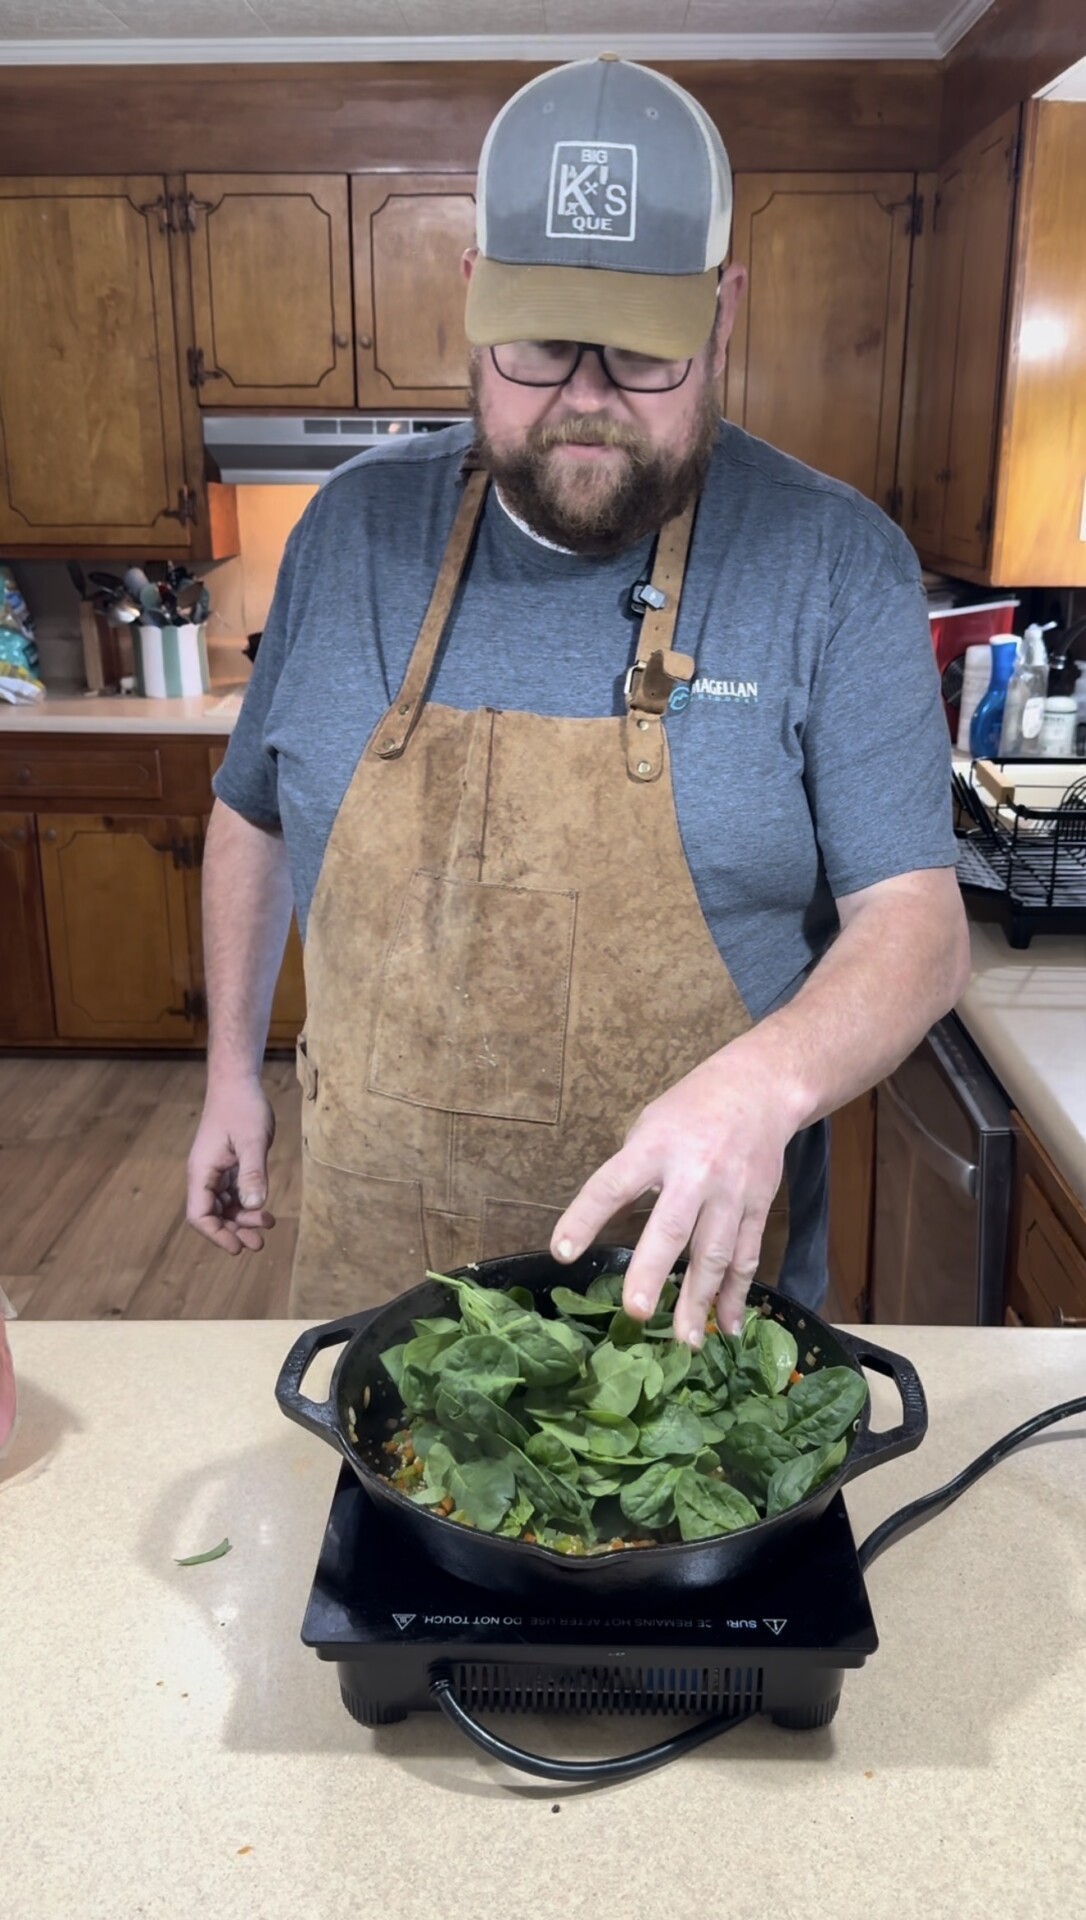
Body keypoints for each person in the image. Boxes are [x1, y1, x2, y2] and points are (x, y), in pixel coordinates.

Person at [187, 55, 969, 1347]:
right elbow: (254, 814)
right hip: (386, 1268)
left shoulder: (832, 560)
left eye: (644, 353)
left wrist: (765, 1084)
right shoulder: (349, 535)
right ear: (470, 305)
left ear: (721, 317)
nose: (587, 403)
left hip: (690, 1304)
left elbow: (916, 927)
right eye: (543, 346)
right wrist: (228, 1074)